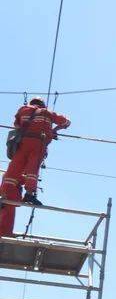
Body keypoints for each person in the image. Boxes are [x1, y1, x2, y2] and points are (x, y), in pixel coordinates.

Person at [1, 98, 70, 237]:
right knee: (32, 170)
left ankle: (7, 193)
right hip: (38, 142)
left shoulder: (23, 109)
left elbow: (17, 126)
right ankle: (29, 193)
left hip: (23, 144)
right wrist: (54, 129)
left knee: (12, 172)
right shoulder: (47, 112)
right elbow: (66, 122)